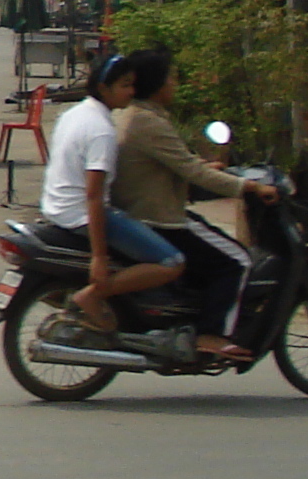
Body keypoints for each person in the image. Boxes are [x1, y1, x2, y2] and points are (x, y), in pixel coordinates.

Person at [111, 46, 275, 361]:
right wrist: (249, 186)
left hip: (141, 213)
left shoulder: (131, 115)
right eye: (172, 78)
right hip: (160, 220)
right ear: (158, 84)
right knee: (238, 261)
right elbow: (192, 171)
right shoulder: (147, 122)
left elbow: (178, 163)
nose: (176, 84)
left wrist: (203, 169)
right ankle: (212, 334)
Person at [36, 50, 186, 340]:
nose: (132, 91)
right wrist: (99, 257)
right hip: (82, 214)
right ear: (104, 88)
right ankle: (93, 295)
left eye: (132, 84)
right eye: (125, 85)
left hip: (57, 208)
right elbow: (94, 196)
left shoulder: (74, 114)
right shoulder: (102, 131)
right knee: (172, 263)